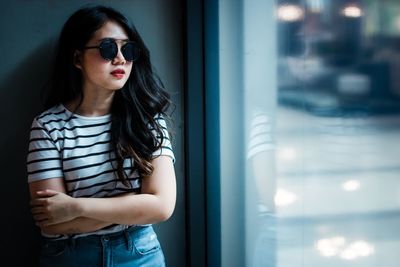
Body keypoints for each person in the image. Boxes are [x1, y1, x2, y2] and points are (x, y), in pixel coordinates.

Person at [26, 5, 176, 267]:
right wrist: (135, 204)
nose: (120, 59)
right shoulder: (48, 126)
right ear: (77, 58)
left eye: (128, 49)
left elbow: (162, 206)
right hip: (70, 257)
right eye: (107, 48)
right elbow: (52, 220)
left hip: (139, 254)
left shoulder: (148, 120)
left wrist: (76, 207)